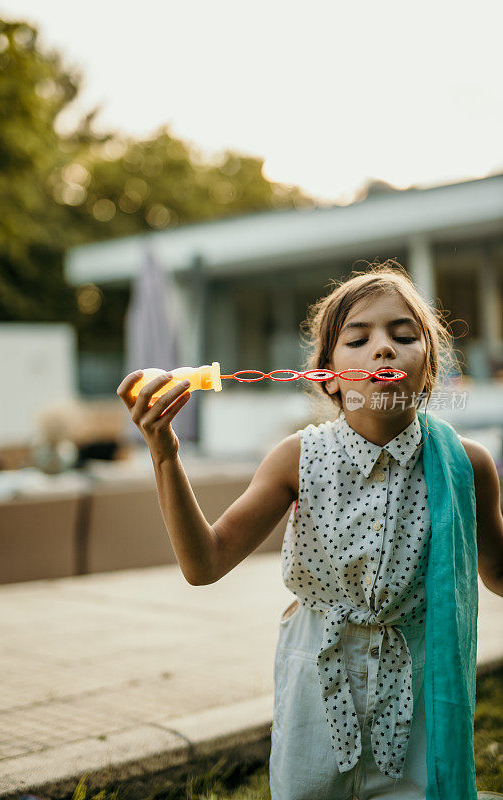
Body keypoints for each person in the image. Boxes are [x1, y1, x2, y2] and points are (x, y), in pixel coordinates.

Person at [116, 259, 503, 800]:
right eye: (358, 338)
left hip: (420, 695)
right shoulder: (296, 459)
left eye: (403, 335)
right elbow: (204, 564)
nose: (383, 348)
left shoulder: (467, 465)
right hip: (316, 692)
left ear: (429, 367)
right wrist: (165, 455)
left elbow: (500, 574)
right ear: (326, 373)